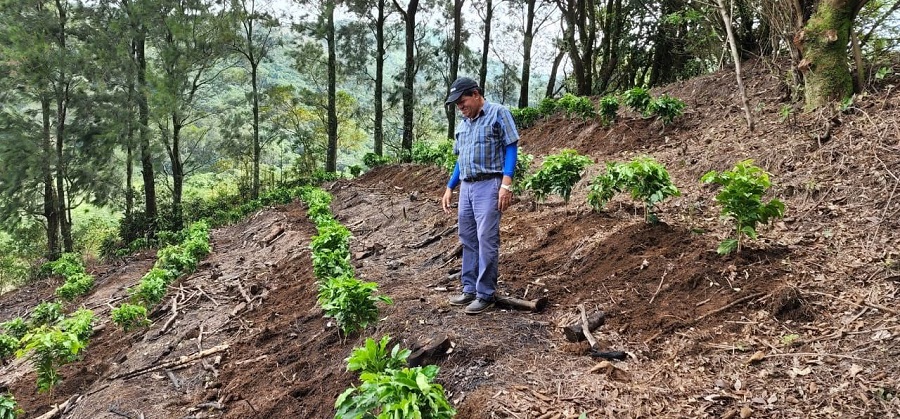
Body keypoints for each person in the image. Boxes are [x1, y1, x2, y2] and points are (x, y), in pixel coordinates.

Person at [441, 77, 519, 315]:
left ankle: (485, 293)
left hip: (489, 184)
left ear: (475, 94)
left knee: (486, 238)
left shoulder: (498, 113)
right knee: (467, 237)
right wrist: (450, 186)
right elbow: (460, 159)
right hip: (467, 185)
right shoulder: (463, 124)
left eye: (462, 101)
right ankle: (469, 288)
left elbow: (511, 147)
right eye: (456, 104)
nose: (460, 107)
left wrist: (506, 184)